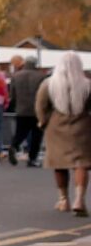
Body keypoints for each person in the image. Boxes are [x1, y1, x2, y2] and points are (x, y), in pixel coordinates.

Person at [38, 50, 90, 217]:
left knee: (59, 164)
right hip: (82, 126)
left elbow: (41, 106)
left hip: (56, 127)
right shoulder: (87, 85)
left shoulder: (49, 84)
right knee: (81, 164)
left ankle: (63, 199)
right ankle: (79, 199)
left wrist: (43, 122)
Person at [9, 54, 48, 168]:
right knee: (36, 136)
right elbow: (45, 94)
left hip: (21, 110)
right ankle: (32, 158)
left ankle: (14, 146)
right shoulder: (41, 76)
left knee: (20, 133)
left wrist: (15, 105)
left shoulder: (16, 76)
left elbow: (12, 94)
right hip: (37, 111)